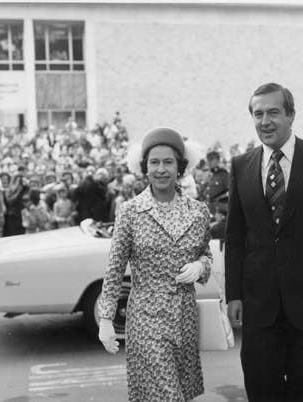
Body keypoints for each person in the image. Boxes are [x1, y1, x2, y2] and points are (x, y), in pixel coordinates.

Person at [225, 83, 303, 402]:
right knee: (262, 389)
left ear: (291, 115)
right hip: (258, 305)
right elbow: (235, 236)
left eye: (273, 112)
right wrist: (234, 295)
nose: (265, 121)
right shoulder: (241, 165)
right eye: (258, 114)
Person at [97, 127, 212, 402]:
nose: (161, 169)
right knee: (167, 395)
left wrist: (200, 267)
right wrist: (105, 318)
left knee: (178, 394)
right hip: (146, 318)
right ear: (144, 167)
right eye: (154, 162)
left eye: (168, 162)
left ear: (180, 167)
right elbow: (114, 270)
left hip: (184, 318)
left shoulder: (198, 211)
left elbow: (206, 254)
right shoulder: (130, 211)